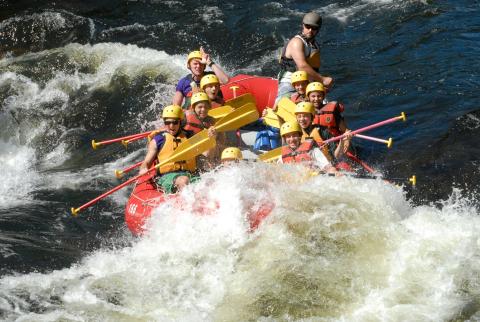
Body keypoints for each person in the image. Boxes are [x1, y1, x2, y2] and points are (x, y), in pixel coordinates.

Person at [139, 105, 215, 193]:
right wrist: (143, 169)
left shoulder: (190, 136)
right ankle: (188, 203)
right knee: (183, 180)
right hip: (167, 177)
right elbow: (146, 162)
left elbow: (207, 154)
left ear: (180, 122)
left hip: (190, 174)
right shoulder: (158, 140)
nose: (171, 126)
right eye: (167, 122)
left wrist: (212, 139)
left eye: (175, 122)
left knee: (210, 181)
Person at [276, 12, 333, 104]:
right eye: (307, 26)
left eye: (314, 28)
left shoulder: (314, 45)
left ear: (318, 29)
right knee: (283, 105)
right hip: (290, 82)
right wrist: (322, 80)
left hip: (307, 84)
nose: (310, 30)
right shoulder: (297, 42)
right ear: (303, 25)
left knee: (325, 105)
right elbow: (302, 66)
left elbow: (313, 69)